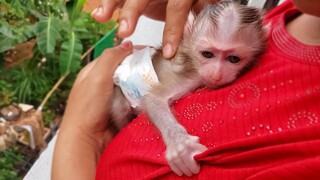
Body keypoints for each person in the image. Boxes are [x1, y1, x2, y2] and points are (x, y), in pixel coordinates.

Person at [52, 0, 320, 179]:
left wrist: (80, 135)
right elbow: (156, 95)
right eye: (207, 54)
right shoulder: (283, 20)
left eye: (234, 59)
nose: (216, 74)